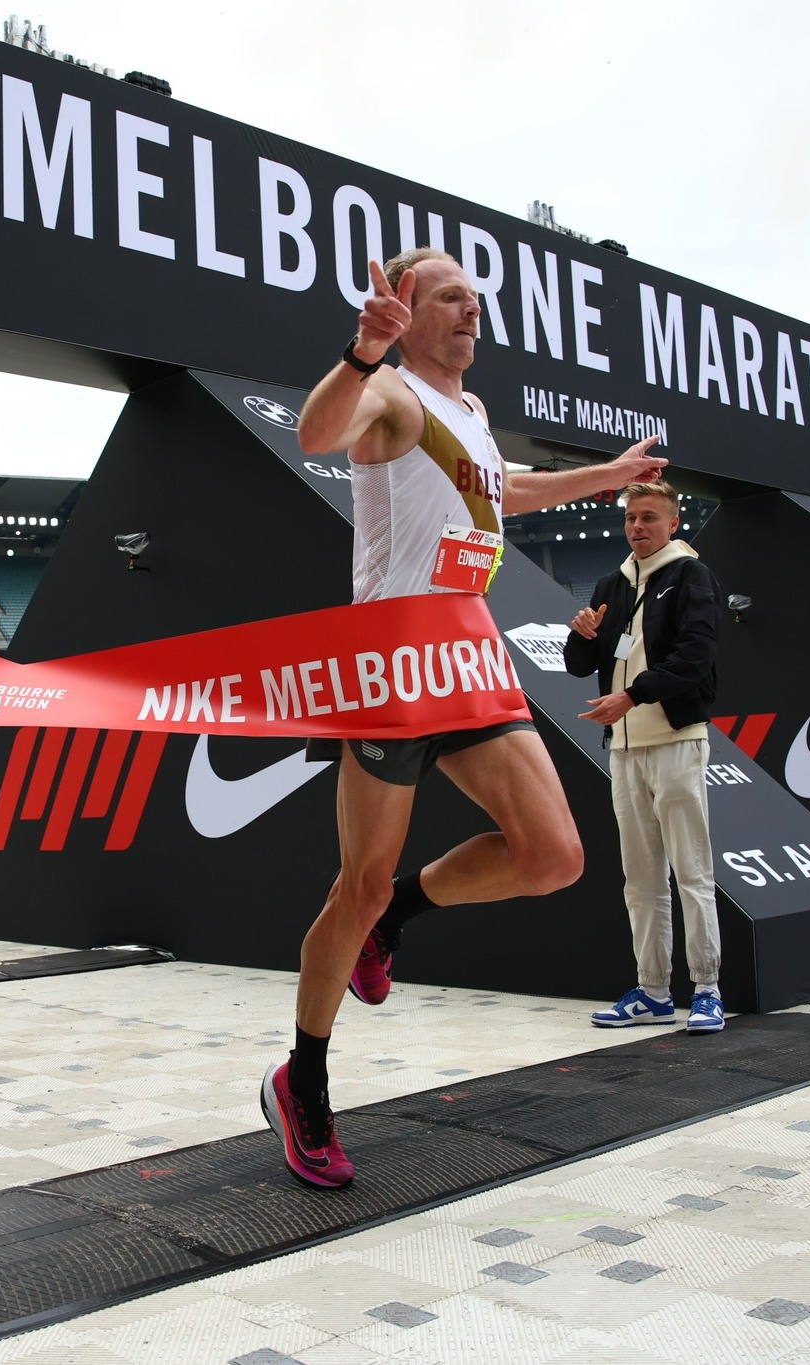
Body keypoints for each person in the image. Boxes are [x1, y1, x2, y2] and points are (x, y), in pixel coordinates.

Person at [267, 247, 668, 1189]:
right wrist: (363, 351)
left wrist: (602, 474)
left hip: (466, 647)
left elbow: (502, 491)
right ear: (406, 309)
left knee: (552, 855)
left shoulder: (472, 413)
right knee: (352, 885)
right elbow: (317, 435)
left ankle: (396, 919)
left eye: (474, 298)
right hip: (394, 663)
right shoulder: (392, 396)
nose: (470, 311)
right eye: (449, 296)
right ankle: (305, 1080)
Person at [564, 480, 723, 1034]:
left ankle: (706, 989)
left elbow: (696, 656)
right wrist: (581, 635)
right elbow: (581, 665)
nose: (638, 527)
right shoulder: (613, 582)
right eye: (632, 517)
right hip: (626, 750)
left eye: (649, 517)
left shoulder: (690, 575)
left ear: (672, 522)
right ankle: (654, 990)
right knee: (641, 878)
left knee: (692, 871)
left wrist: (634, 694)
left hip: (677, 742)